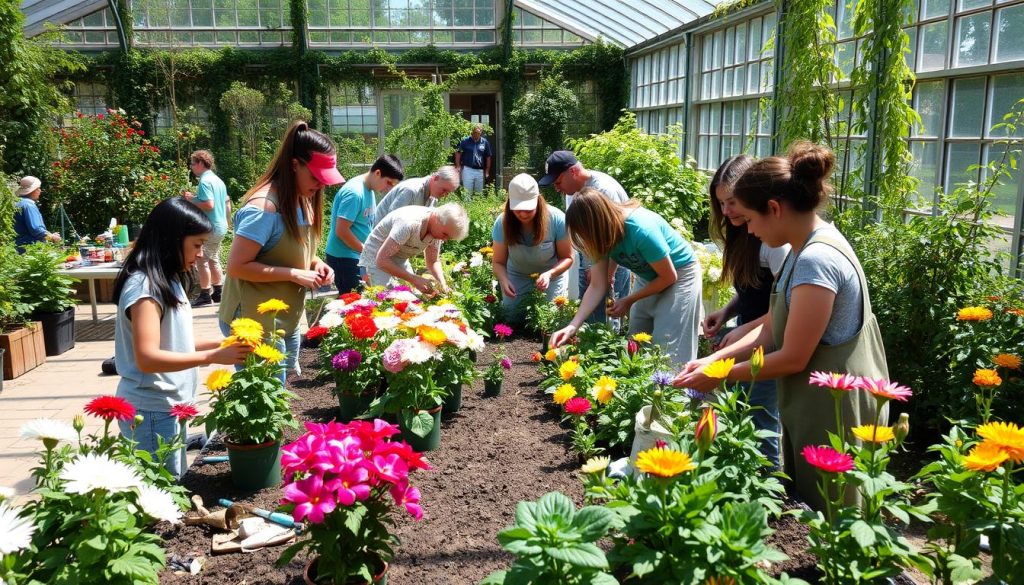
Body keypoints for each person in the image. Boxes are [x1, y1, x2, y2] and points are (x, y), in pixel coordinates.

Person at [672, 142, 887, 512]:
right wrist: (717, 359)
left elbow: (792, 357)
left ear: (774, 208)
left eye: (751, 220)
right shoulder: (804, 248)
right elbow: (773, 325)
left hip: (837, 404)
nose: (749, 231)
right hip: (815, 401)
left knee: (839, 510)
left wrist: (720, 376)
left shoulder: (816, 260)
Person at [112, 197, 250, 478]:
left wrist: (221, 344)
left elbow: (174, 343)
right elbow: (148, 358)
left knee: (174, 485)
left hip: (168, 407)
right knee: (162, 493)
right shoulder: (144, 287)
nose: (201, 253)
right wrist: (212, 357)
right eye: (196, 244)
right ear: (171, 239)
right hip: (149, 411)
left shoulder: (168, 278)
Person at [219, 121, 342, 384]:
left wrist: (316, 263)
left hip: (285, 316)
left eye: (325, 180)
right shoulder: (263, 209)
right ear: (295, 164)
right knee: (266, 398)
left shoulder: (303, 198)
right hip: (252, 320)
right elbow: (237, 266)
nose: (321, 185)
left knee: (279, 394)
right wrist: (295, 274)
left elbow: (293, 249)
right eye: (315, 177)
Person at [702, 155, 790, 469]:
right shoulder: (745, 233)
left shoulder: (776, 243)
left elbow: (784, 305)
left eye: (733, 202)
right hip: (748, 333)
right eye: (721, 203)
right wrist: (727, 312)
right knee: (742, 409)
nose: (726, 211)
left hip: (769, 341)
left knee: (762, 414)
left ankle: (770, 489)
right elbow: (752, 290)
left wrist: (743, 329)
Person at [548, 189, 702, 367]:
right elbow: (598, 285)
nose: (586, 240)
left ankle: (676, 389)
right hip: (648, 275)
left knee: (669, 346)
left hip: (680, 274)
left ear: (598, 224)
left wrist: (629, 300)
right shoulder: (600, 235)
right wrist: (573, 325)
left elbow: (668, 277)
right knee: (635, 342)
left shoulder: (641, 230)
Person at [538, 151, 630, 326]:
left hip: (612, 262)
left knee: (611, 317)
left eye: (558, 182)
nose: (557, 188)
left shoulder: (603, 190)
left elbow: (618, 237)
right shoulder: (572, 190)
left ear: (572, 172)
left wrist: (608, 273)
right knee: (590, 316)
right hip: (590, 259)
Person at [491, 173, 573, 324]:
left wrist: (550, 274)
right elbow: (498, 262)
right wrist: (503, 280)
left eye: (528, 209)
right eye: (518, 209)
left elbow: (567, 258)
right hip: (516, 275)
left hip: (550, 277)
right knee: (512, 319)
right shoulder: (502, 222)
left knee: (549, 321)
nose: (523, 214)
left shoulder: (556, 219)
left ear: (538, 200)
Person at [324, 154, 405, 293]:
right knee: (353, 305)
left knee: (365, 301)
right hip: (344, 258)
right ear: (378, 173)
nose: (389, 188)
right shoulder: (354, 193)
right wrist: (368, 251)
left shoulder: (369, 190)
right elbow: (341, 231)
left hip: (356, 255)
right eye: (389, 182)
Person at [360, 203, 468, 295]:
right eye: (445, 234)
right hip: (376, 257)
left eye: (448, 238)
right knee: (384, 298)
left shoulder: (438, 228)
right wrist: (413, 278)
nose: (444, 240)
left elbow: (433, 261)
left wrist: (443, 284)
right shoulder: (409, 223)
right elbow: (382, 261)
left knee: (410, 296)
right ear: (436, 219)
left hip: (399, 257)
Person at [183, 150, 231, 307]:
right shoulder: (218, 180)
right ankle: (218, 291)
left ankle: (205, 294)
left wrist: (190, 201)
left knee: (201, 260)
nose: (191, 167)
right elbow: (225, 203)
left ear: (201, 163)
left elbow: (208, 204)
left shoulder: (204, 181)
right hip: (220, 226)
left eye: (192, 163)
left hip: (209, 228)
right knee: (213, 258)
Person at [373, 165, 459, 223]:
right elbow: (391, 219)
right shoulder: (411, 190)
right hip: (377, 236)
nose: (444, 195)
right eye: (444, 190)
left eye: (448, 193)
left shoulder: (433, 197)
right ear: (436, 178)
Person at [13, 176, 60, 252]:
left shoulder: (17, 203)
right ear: (33, 190)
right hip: (29, 250)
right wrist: (52, 237)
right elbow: (36, 230)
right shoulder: (28, 205)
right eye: (38, 188)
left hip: (16, 248)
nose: (40, 191)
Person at [454, 125, 492, 193]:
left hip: (480, 171)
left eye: (478, 133)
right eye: (474, 132)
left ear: (481, 132)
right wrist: (458, 165)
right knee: (467, 192)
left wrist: (487, 171)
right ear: (471, 132)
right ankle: (467, 203)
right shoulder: (465, 140)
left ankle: (478, 203)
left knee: (479, 193)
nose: (476, 134)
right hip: (468, 169)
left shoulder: (485, 142)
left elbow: (488, 156)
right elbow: (458, 153)